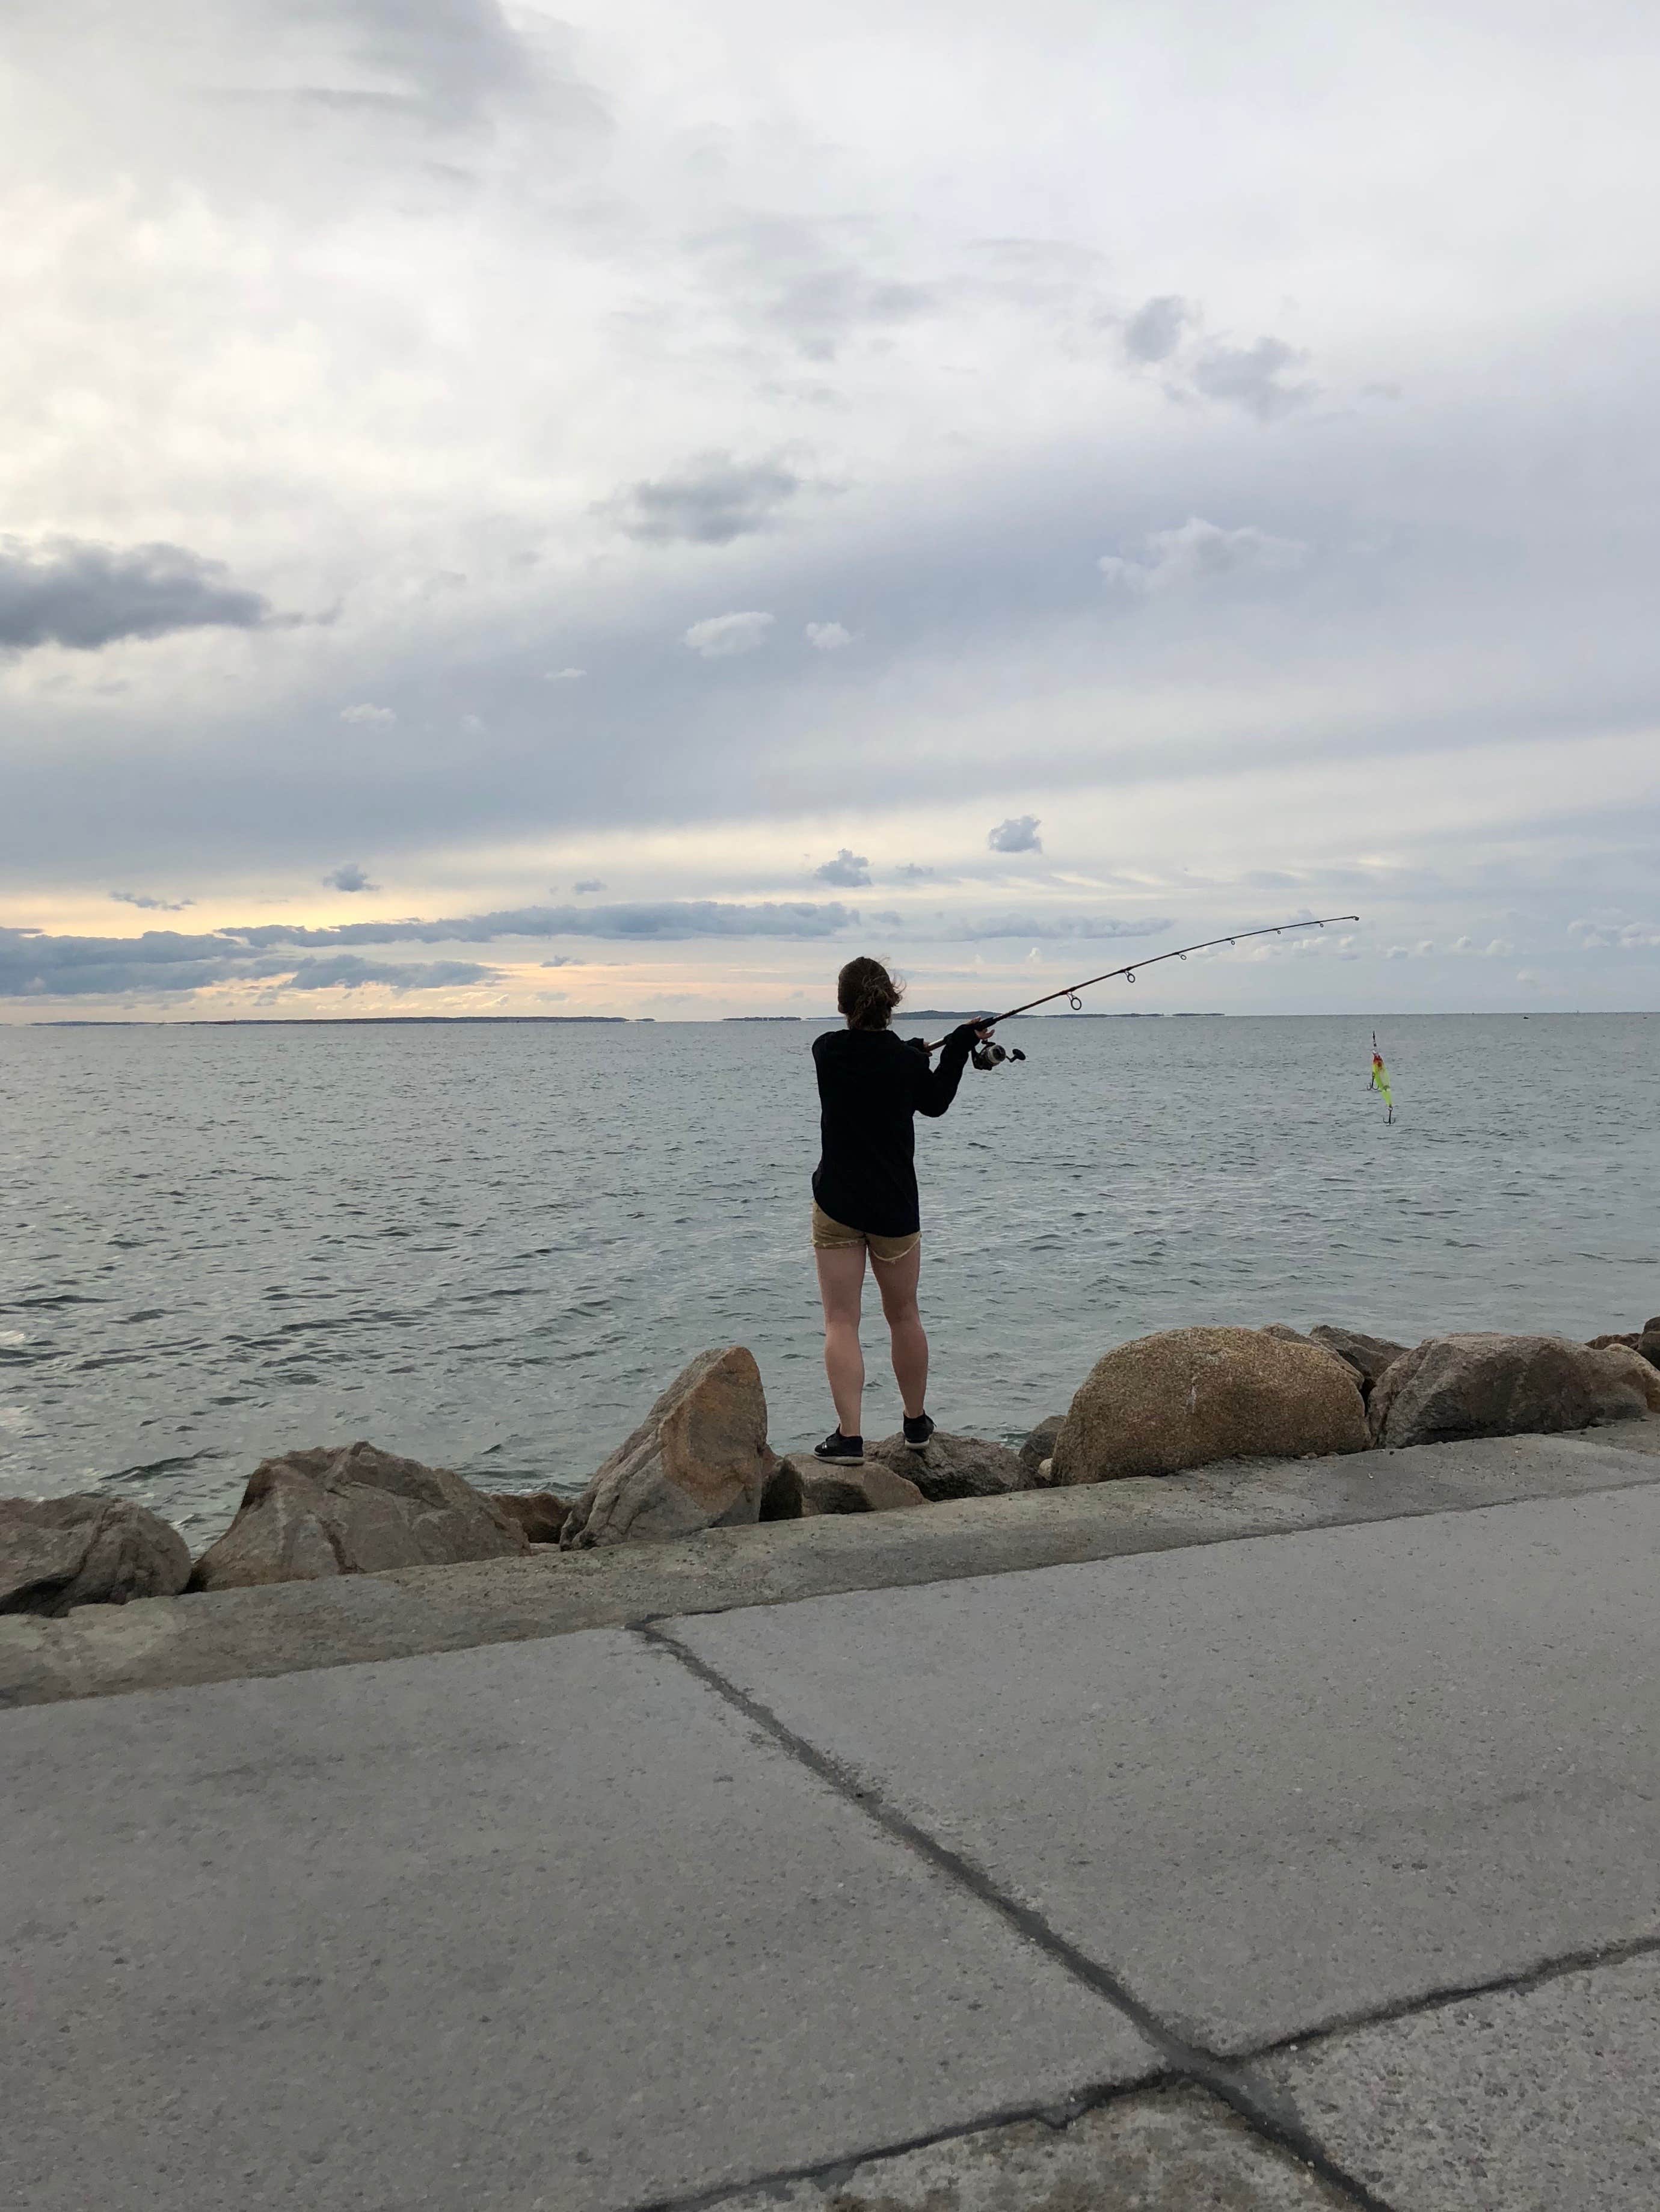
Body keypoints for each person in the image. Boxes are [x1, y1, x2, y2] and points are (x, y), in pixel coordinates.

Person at [810, 956, 988, 1465]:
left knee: (841, 1322)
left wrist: (914, 1054)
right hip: (895, 1209)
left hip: (837, 1204)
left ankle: (850, 1438)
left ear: (843, 1004)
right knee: (904, 1315)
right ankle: (915, 1423)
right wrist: (955, 1048)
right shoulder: (907, 1063)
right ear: (892, 1002)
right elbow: (933, 1102)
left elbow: (871, 1062)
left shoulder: (825, 1051)